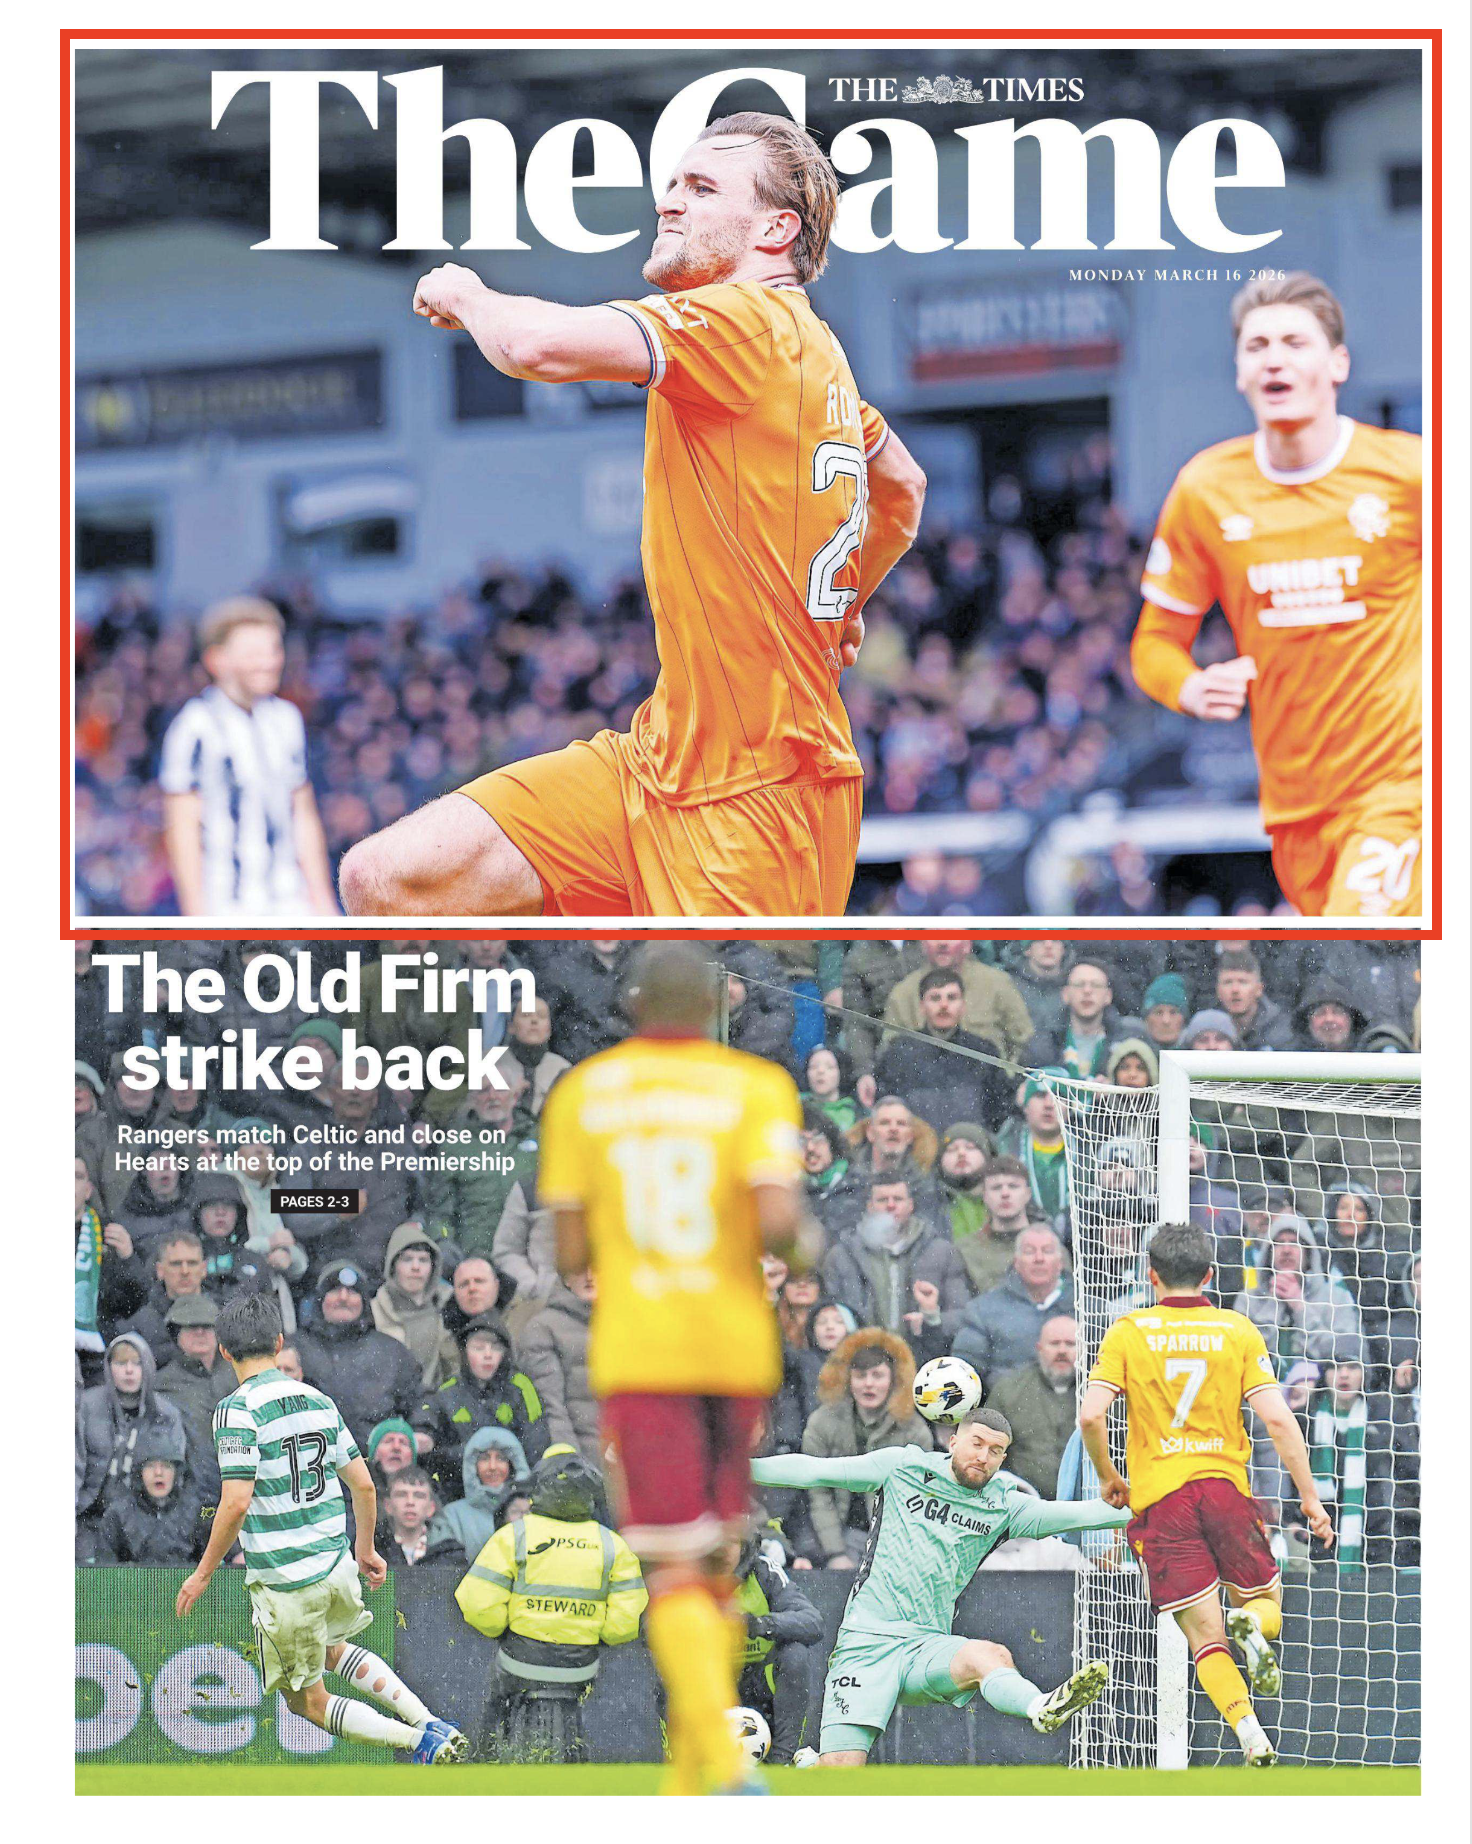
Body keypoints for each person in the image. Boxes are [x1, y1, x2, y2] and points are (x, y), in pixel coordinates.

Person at [339, 114, 926, 920]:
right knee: (388, 879)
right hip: (654, 762)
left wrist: (468, 292)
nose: (671, 202)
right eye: (673, 184)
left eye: (703, 187)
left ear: (776, 229)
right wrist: (843, 603)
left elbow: (536, 349)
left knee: (729, 1042)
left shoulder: (743, 321)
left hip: (760, 797)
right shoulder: (808, 350)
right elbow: (902, 485)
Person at [538, 943, 818, 1794]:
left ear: (628, 1002)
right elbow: (781, 1229)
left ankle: (725, 1763)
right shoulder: (755, 1088)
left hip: (645, 1349)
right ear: (718, 1002)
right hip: (735, 1349)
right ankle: (695, 1776)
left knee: (672, 1565)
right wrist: (806, 1241)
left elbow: (570, 1249)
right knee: (719, 1557)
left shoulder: (583, 1095)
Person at [1131, 272, 1421, 919]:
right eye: (1257, 345)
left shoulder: (1410, 474)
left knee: (1362, 964)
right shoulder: (1206, 488)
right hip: (1294, 806)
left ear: (1338, 363)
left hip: (1403, 785)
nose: (1275, 358)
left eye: (1295, 341)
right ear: (1239, 372)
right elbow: (1154, 642)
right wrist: (1189, 686)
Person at [1077, 1221, 1336, 1768]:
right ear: (1211, 1276)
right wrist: (1310, 1498)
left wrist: (1108, 1476)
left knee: (1204, 1641)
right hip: (1224, 1491)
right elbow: (1277, 1420)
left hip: (1162, 1503)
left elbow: (1091, 1414)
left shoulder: (1129, 1329)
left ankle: (1249, 1733)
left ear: (1151, 1277)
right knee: (1264, 1603)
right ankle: (1255, 1628)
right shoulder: (1237, 1330)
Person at [175, 1292, 466, 1761]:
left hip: (288, 1582)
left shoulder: (236, 1409)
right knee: (334, 1649)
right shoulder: (316, 1399)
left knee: (306, 1703)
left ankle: (419, 1741)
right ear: (278, 1341)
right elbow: (365, 1487)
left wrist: (203, 1572)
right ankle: (429, 1719)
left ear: (225, 1351)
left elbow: (235, 1502)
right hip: (335, 1566)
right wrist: (366, 1549)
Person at [751, 1408, 1128, 1764]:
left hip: (927, 1648)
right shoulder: (902, 1467)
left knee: (990, 1656)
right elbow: (814, 1471)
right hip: (866, 1644)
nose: (984, 1456)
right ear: (952, 1442)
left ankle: (1040, 1707)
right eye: (977, 1443)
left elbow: (1087, 1514)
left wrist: (1169, 1496)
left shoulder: (1006, 1507)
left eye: (996, 1451)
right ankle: (813, 1766)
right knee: (839, 1776)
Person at [455, 1449, 647, 1763]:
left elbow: (477, 1604)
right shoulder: (612, 1544)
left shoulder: (514, 1535)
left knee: (495, 1697)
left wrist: (504, 1630)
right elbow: (624, 1624)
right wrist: (597, 1635)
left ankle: (486, 1756)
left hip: (521, 1660)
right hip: (580, 1665)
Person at [159, 596, 337, 917]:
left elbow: (303, 814)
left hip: (290, 902)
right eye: (254, 653)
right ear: (218, 660)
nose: (269, 662)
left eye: (274, 650)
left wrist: (322, 899)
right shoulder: (194, 726)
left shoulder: (286, 719)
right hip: (227, 905)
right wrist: (196, 915)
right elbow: (182, 825)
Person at [796, 1331, 934, 1568]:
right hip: (838, 1533)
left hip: (892, 1541)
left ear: (893, 1380)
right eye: (860, 1376)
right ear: (848, 1380)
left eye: (877, 1375)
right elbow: (818, 1492)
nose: (868, 1384)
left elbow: (918, 1498)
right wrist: (835, 1553)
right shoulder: (822, 1422)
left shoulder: (914, 1430)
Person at [872, 968, 1014, 1132]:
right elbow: (887, 1107)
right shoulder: (899, 1052)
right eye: (935, 998)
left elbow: (998, 1111)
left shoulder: (983, 1052)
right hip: (917, 1151)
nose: (944, 1005)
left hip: (968, 1149)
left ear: (963, 1005)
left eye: (952, 998)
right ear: (922, 1006)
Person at [728, 1529, 825, 1765]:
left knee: (795, 1653)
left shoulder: (764, 1571)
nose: (720, 1552)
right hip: (710, 1685)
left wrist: (760, 1624)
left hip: (761, 1688)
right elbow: (649, 1628)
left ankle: (782, 1758)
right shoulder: (687, 1571)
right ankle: (680, 1756)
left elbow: (813, 1622)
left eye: (729, 1543)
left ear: (744, 1546)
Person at [952, 1227, 1076, 1390]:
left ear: (1060, 1263)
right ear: (1016, 1262)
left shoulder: (1087, 1308)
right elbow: (964, 1374)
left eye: (1047, 1251)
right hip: (1007, 1410)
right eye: (1030, 1252)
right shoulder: (984, 1310)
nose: (1039, 1259)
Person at [983, 1315, 1079, 1499]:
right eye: (1054, 1343)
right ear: (1039, 1349)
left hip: (1089, 1506)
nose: (1062, 1351)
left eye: (1070, 1344)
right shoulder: (1009, 1390)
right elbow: (988, 1452)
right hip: (1024, 1506)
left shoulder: (1100, 1390)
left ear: (1084, 1348)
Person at [92, 1425, 205, 1567]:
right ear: (139, 1473)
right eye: (151, 1466)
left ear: (176, 1473)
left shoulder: (195, 1512)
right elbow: (104, 1572)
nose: (158, 1472)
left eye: (166, 1466)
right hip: (132, 1587)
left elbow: (212, 1567)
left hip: (185, 1588)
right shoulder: (117, 1514)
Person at [517, 1267, 599, 1461]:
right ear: (566, 1278)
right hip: (585, 1460)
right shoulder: (542, 1328)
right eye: (580, 1268)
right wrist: (572, 1464)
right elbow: (551, 1408)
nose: (589, 1276)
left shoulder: (629, 1325)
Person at [428, 1427, 531, 1564]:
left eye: (501, 1458)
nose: (492, 1466)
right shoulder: (452, 1516)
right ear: (473, 1465)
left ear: (512, 1465)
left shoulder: (531, 1511)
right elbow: (442, 1568)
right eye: (484, 1458)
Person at [379, 1468, 462, 1568]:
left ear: (431, 1508)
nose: (410, 1502)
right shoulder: (373, 1550)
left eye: (419, 1496)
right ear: (388, 1506)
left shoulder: (451, 1553)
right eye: (401, 1495)